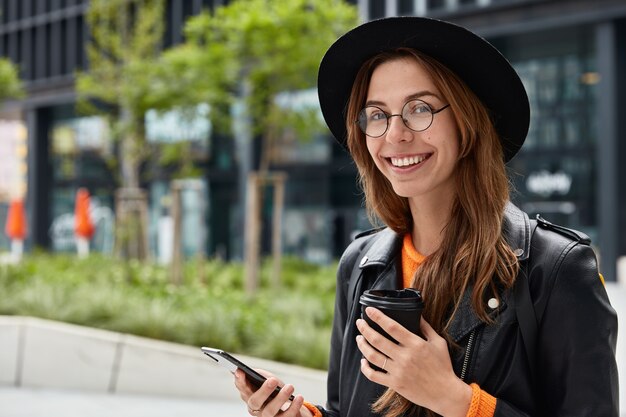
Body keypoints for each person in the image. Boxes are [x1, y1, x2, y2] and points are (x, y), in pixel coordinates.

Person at [233, 16, 619, 417]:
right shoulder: (362, 265)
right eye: (377, 114)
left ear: (467, 123)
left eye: (419, 109)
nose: (395, 134)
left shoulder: (555, 269)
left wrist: (456, 401)